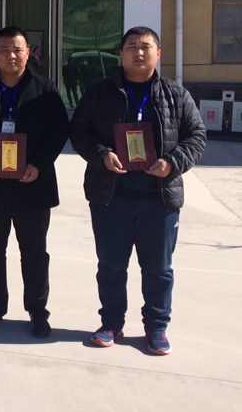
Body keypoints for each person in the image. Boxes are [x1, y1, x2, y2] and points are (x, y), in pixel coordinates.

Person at [70, 26, 206, 355]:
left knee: (158, 269)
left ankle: (156, 327)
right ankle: (111, 323)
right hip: (110, 198)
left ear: (158, 54)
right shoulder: (99, 93)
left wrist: (172, 163)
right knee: (111, 267)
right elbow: (79, 132)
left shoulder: (176, 95)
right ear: (121, 54)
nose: (139, 52)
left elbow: (197, 136)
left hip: (159, 200)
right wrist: (102, 155)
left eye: (146, 47)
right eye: (131, 46)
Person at [0, 26, 69, 338]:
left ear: (28, 53)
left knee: (35, 252)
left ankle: (38, 311)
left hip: (32, 184)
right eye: (4, 50)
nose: (11, 56)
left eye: (17, 49)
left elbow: (60, 130)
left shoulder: (45, 89)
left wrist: (39, 164)